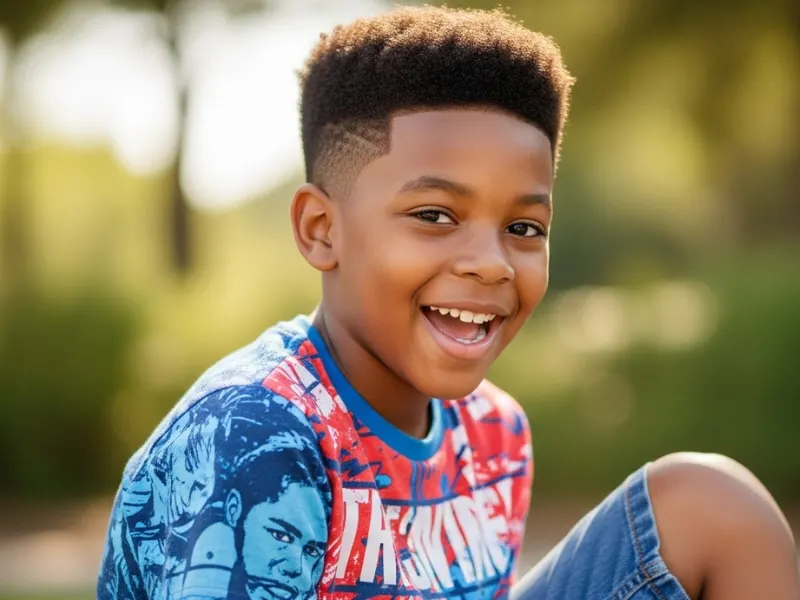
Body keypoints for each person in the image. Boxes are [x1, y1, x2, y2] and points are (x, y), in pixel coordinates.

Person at [97, 5, 799, 599]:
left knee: (710, 507)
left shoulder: (495, 436)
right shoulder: (256, 436)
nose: (491, 263)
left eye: (524, 228)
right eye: (435, 215)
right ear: (322, 229)